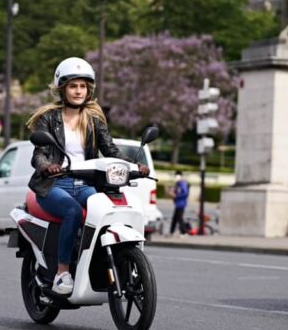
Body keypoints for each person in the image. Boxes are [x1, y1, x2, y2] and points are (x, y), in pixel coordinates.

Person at [26, 57, 149, 296]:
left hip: (85, 184)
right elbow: (39, 154)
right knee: (72, 212)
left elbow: (110, 150)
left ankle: (102, 262)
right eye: (73, 86)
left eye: (83, 86)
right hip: (54, 184)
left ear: (89, 89)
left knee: (105, 209)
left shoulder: (93, 119)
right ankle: (62, 272)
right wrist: (47, 166)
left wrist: (135, 165)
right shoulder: (48, 118)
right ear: (62, 89)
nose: (78, 91)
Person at [169, 171, 189, 236]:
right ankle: (171, 232)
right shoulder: (177, 184)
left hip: (181, 204)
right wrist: (172, 192)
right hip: (177, 204)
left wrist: (176, 196)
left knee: (179, 218)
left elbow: (185, 193)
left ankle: (184, 232)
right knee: (175, 218)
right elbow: (176, 191)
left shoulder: (183, 184)